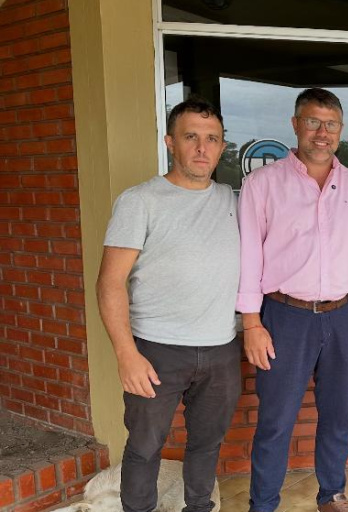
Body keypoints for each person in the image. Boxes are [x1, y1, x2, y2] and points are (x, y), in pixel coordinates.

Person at [238, 88, 348, 512]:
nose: (321, 133)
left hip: (345, 315)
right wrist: (251, 323)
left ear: (340, 131)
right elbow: (249, 256)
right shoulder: (263, 184)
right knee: (275, 421)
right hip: (284, 317)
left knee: (338, 417)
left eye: (330, 124)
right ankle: (264, 504)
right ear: (295, 125)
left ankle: (332, 493)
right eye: (313, 122)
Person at [96, 97, 241, 512]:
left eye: (212, 139)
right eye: (191, 137)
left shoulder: (232, 201)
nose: (202, 148)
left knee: (206, 444)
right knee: (143, 446)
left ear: (222, 147)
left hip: (221, 348)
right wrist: (126, 355)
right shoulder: (140, 200)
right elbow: (109, 284)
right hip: (155, 348)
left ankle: (199, 507)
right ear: (169, 143)